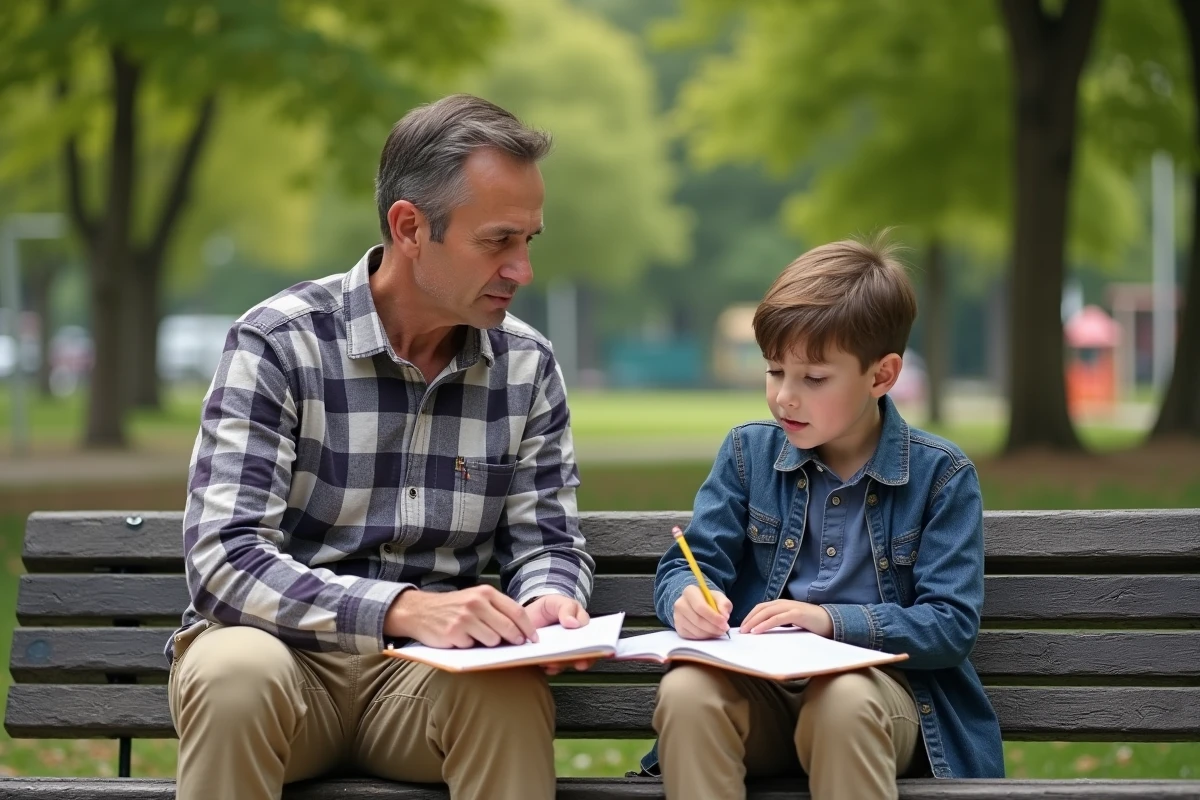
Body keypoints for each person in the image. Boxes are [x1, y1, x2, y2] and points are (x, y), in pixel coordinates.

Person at [167, 94, 596, 800]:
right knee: (232, 673)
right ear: (410, 227)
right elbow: (224, 560)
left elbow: (546, 541)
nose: (522, 269)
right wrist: (401, 608)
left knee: (508, 690)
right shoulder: (279, 341)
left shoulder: (528, 365)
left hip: (429, 684)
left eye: (529, 241)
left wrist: (549, 597)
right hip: (283, 665)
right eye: (498, 241)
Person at [642, 235, 1004, 799]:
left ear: (881, 376)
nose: (785, 397)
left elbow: (950, 624)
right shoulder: (748, 455)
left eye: (813, 379)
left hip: (880, 702)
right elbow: (686, 567)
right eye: (774, 371)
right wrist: (688, 597)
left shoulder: (942, 476)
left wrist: (830, 621)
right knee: (689, 690)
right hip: (760, 697)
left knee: (843, 700)